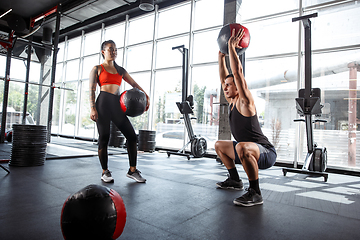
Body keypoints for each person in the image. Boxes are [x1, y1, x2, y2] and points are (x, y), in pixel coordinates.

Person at [215, 28, 277, 206]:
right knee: (219, 145)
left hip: (264, 152)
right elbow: (223, 77)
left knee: (242, 147)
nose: (225, 88)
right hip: (246, 148)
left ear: (238, 86)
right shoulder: (232, 101)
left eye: (229, 85)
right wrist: (221, 58)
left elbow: (238, 74)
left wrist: (232, 49)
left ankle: (255, 192)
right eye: (224, 85)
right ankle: (235, 180)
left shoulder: (245, 101)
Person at [89, 40, 150, 183]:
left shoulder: (121, 70)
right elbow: (91, 90)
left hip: (116, 104)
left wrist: (145, 95)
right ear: (103, 51)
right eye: (110, 49)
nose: (114, 52)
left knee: (132, 137)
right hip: (102, 103)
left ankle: (132, 170)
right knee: (104, 137)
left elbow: (134, 84)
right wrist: (92, 108)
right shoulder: (97, 68)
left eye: (115, 50)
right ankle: (105, 171)